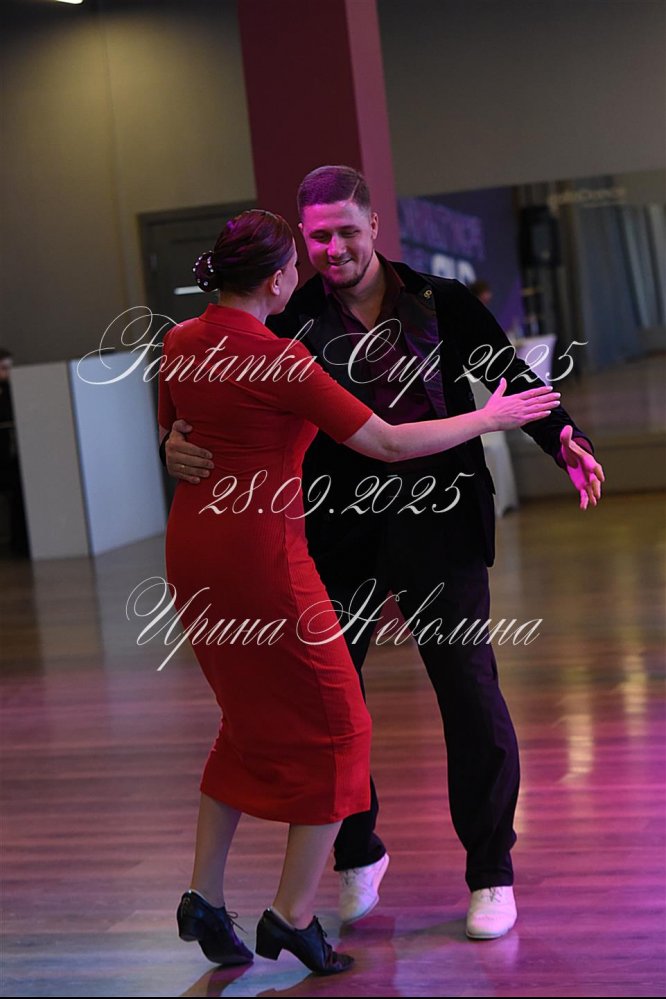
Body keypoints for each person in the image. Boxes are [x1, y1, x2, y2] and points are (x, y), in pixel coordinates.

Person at [161, 174, 600, 946]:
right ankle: (356, 853)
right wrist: (173, 442)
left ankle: (490, 869)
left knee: (469, 691)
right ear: (300, 244)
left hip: (441, 525)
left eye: (346, 232)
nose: (332, 248)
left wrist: (563, 436)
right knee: (335, 698)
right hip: (335, 531)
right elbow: (216, 402)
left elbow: (507, 373)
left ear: (373, 225)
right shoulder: (288, 316)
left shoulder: (440, 299)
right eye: (317, 236)